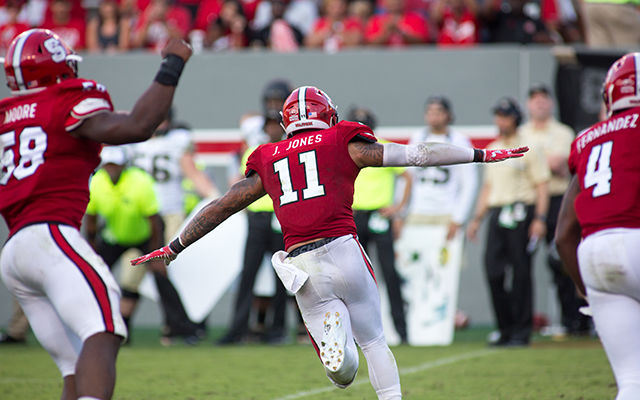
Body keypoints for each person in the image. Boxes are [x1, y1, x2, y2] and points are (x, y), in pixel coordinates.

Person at [131, 85, 527, 398]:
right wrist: (478, 155)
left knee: (341, 375)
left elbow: (221, 206)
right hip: (344, 249)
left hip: (302, 264)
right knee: (374, 341)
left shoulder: (268, 156)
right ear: (329, 115)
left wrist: (175, 245)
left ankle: (336, 342)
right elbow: (417, 155)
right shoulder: (342, 140)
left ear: (286, 121)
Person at [0, 28, 192, 400]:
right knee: (105, 327)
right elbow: (139, 125)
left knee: (75, 364)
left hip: (14, 250)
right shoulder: (66, 98)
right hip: (50, 235)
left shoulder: (8, 114)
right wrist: (173, 64)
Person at [556, 52, 640, 400]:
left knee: (632, 383)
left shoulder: (587, 138)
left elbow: (563, 235)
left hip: (592, 255)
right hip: (635, 238)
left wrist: (584, 286)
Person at [85, 145, 201, 345]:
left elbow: (154, 221)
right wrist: (92, 252)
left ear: (124, 166)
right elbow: (92, 221)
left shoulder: (139, 182)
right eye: (108, 165)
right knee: (92, 276)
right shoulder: (97, 183)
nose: (111, 170)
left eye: (116, 165)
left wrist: (156, 253)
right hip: (115, 237)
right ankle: (97, 326)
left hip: (146, 236)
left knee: (161, 278)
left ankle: (183, 328)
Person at [467, 97, 550, 347]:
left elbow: (542, 185)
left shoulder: (530, 146)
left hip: (522, 211)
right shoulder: (493, 147)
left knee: (521, 272)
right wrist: (477, 218)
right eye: (498, 116)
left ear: (515, 117)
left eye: (504, 116)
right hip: (497, 213)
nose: (500, 120)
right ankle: (505, 327)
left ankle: (521, 331)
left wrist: (540, 218)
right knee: (493, 271)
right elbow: (488, 187)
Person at [130, 109, 218, 344]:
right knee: (135, 274)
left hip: (169, 214)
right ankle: (124, 327)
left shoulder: (173, 141)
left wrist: (217, 200)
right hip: (143, 215)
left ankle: (175, 325)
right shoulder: (137, 140)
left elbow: (193, 172)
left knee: (170, 271)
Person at [400, 96, 478, 345]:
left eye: (438, 111)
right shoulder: (417, 138)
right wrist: (401, 213)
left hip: (445, 214)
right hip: (419, 213)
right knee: (412, 266)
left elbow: (469, 182)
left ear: (448, 114)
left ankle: (445, 317)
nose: (434, 116)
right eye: (429, 111)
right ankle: (417, 318)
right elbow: (406, 176)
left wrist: (458, 217)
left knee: (444, 268)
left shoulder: (459, 141)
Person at [519, 83, 591, 336]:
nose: (539, 103)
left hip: (559, 198)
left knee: (563, 258)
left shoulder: (562, 132)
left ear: (551, 103)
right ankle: (523, 324)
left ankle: (573, 320)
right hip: (528, 201)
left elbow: (563, 164)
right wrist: (542, 162)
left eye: (543, 99)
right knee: (521, 265)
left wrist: (535, 162)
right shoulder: (521, 132)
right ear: (528, 104)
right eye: (534, 99)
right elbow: (530, 164)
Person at [218, 109, 289, 345]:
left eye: (274, 125)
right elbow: (242, 183)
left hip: (280, 217)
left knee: (283, 277)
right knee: (248, 274)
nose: (271, 129)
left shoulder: (290, 148)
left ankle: (278, 330)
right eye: (268, 125)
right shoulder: (255, 151)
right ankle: (237, 329)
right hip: (257, 219)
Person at [349, 106, 409, 344]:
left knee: (389, 274)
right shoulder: (346, 150)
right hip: (354, 216)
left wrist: (397, 208)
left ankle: (402, 332)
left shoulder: (382, 147)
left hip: (380, 215)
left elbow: (407, 176)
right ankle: (357, 335)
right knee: (354, 276)